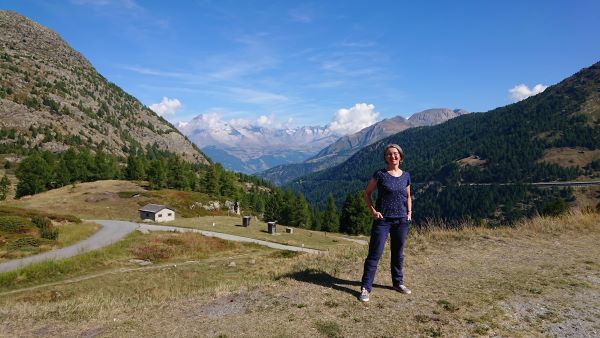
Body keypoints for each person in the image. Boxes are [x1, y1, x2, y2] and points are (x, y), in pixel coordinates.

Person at [359, 143, 412, 302]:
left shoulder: (406, 175)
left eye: (395, 154)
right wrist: (373, 211)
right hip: (383, 220)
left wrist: (409, 213)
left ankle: (398, 283)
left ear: (400, 157)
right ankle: (365, 288)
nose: (392, 156)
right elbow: (367, 193)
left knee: (398, 253)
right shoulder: (380, 174)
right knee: (375, 254)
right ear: (385, 157)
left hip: (402, 220)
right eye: (389, 154)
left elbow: (408, 196)